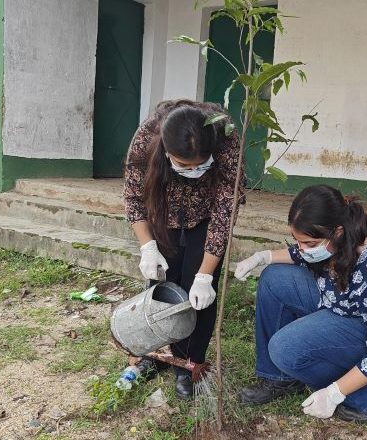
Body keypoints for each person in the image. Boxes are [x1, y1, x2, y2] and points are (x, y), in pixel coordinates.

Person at [234, 185, 367, 422]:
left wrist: (335, 393)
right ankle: (280, 379)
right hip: (342, 300)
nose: (302, 249)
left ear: (336, 232)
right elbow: (302, 253)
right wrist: (262, 257)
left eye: (310, 244)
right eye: (298, 240)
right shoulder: (342, 232)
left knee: (284, 349)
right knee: (274, 278)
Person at [123, 99, 245, 398]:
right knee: (161, 284)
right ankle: (156, 354)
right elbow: (134, 196)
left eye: (200, 165)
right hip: (162, 213)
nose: (193, 171)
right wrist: (148, 246)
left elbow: (225, 211)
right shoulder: (148, 137)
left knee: (198, 293)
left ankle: (190, 363)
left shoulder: (225, 137)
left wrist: (205, 276)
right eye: (184, 165)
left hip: (205, 217)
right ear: (166, 151)